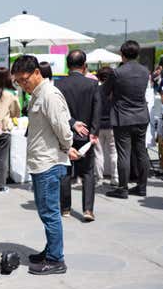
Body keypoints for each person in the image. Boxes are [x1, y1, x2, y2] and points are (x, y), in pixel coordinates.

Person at [11, 55, 73, 275]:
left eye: (24, 79)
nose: (22, 84)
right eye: (18, 81)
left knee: (50, 213)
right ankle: (51, 250)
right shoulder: (37, 94)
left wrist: (67, 147)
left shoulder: (49, 95)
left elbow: (63, 129)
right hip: (41, 162)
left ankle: (56, 259)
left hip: (49, 163)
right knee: (46, 211)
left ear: (37, 72)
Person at [55, 50, 100, 222]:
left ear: (68, 65)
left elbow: (58, 112)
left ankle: (65, 208)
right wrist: (94, 132)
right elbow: (97, 110)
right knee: (88, 172)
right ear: (84, 65)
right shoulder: (92, 84)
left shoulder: (59, 85)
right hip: (86, 135)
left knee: (66, 171)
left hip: (65, 133)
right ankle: (88, 209)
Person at [104, 40, 151, 199]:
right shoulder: (145, 71)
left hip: (122, 117)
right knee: (141, 151)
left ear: (122, 54)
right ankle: (142, 186)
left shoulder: (117, 73)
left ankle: (123, 188)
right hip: (141, 115)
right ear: (137, 54)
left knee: (123, 153)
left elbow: (105, 92)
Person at [0, 67, 20, 194]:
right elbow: (16, 112)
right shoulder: (10, 95)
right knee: (3, 158)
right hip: (3, 129)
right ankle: (1, 186)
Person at [94, 66, 119, 186]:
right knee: (114, 152)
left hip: (98, 125)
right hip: (113, 124)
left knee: (98, 153)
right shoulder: (115, 91)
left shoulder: (96, 90)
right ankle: (115, 177)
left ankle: (99, 178)